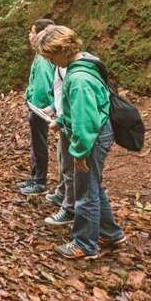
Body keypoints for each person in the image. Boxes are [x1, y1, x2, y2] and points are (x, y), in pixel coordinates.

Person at [36, 25, 125, 260]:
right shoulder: (84, 62)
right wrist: (62, 121)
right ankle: (111, 232)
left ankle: (85, 243)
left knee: (84, 190)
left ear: (63, 50)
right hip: (96, 132)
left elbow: (85, 121)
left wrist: (80, 152)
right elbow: (77, 110)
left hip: (92, 138)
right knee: (92, 185)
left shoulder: (78, 79)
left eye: (51, 56)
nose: (51, 62)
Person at [19, 18, 56, 196]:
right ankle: (35, 176)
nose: (29, 35)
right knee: (36, 144)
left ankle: (40, 181)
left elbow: (42, 86)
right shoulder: (41, 55)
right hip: (38, 107)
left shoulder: (43, 58)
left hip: (39, 109)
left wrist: (36, 107)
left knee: (39, 145)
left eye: (32, 31)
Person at [43, 63, 74, 226]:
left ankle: (69, 209)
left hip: (69, 123)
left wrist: (61, 120)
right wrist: (53, 108)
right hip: (64, 120)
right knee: (62, 159)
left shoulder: (70, 69)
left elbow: (72, 99)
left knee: (70, 168)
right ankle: (62, 193)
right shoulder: (60, 65)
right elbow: (60, 91)